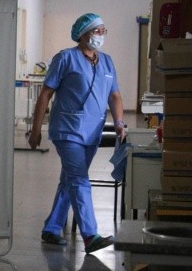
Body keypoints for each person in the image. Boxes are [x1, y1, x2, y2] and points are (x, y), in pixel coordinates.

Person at [27, 13, 126, 253]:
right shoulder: (65, 58)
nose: (101, 35)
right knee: (80, 179)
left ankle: (52, 228)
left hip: (92, 132)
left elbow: (114, 96)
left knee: (69, 179)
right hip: (67, 130)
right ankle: (90, 235)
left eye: (103, 31)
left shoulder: (107, 62)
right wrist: (36, 129)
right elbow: (46, 94)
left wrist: (120, 122)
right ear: (82, 34)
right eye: (96, 31)